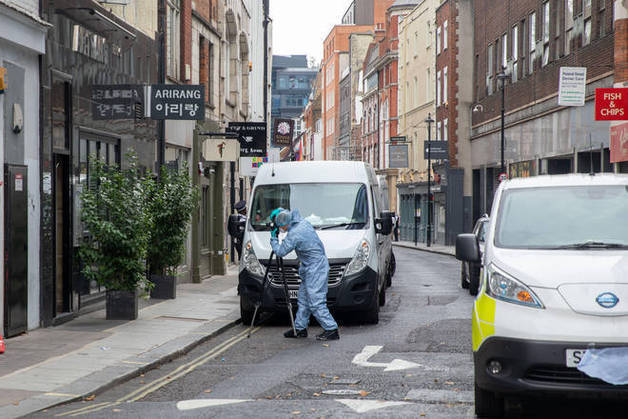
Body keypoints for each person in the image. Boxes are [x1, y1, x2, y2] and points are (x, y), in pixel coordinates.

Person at [269, 208, 339, 341]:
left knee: (315, 302)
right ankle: (300, 328)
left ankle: (331, 329)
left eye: (281, 226)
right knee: (304, 300)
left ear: (284, 222)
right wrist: (280, 212)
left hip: (315, 269)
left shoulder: (295, 233)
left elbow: (280, 251)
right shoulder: (302, 222)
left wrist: (273, 238)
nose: (282, 229)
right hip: (312, 267)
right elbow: (287, 215)